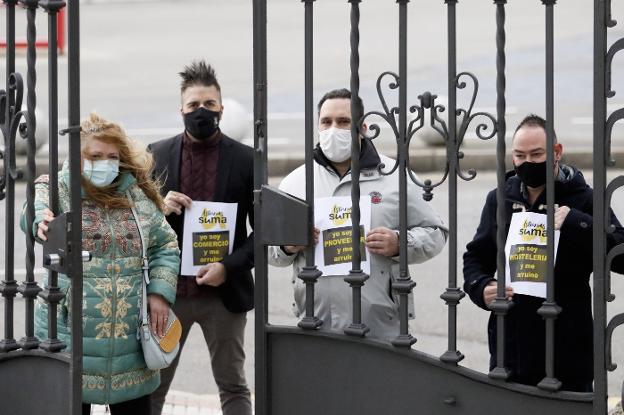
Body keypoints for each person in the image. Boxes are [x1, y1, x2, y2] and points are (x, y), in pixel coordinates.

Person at [22, 113, 180, 414]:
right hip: (70, 334)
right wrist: (39, 221)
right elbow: (34, 209)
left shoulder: (137, 197)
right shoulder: (58, 189)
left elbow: (165, 244)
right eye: (95, 156)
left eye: (112, 157)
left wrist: (160, 293)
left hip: (130, 340)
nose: (105, 163)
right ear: (79, 156)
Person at [268, 88, 448, 340]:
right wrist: (287, 246)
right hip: (315, 322)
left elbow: (436, 232)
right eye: (326, 122)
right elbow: (268, 249)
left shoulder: (395, 177)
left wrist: (400, 243)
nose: (334, 129)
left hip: (378, 323)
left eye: (343, 122)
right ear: (318, 126)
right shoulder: (296, 182)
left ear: (363, 127)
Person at [463, 114, 624, 392]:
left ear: (556, 152)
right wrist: (482, 287)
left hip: (568, 346)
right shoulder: (500, 198)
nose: (528, 163)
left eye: (537, 155)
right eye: (520, 155)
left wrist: (577, 222)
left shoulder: (585, 198)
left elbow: (621, 254)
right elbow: (476, 258)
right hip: (511, 347)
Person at [148, 61, 254, 415]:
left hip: (223, 295)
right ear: (181, 110)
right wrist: (159, 208)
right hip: (167, 294)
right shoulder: (156, 155)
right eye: (193, 105)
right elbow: (135, 225)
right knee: (152, 385)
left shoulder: (245, 160)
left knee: (233, 385)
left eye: (209, 104)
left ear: (222, 108)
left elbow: (264, 231)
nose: (201, 112)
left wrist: (228, 267)